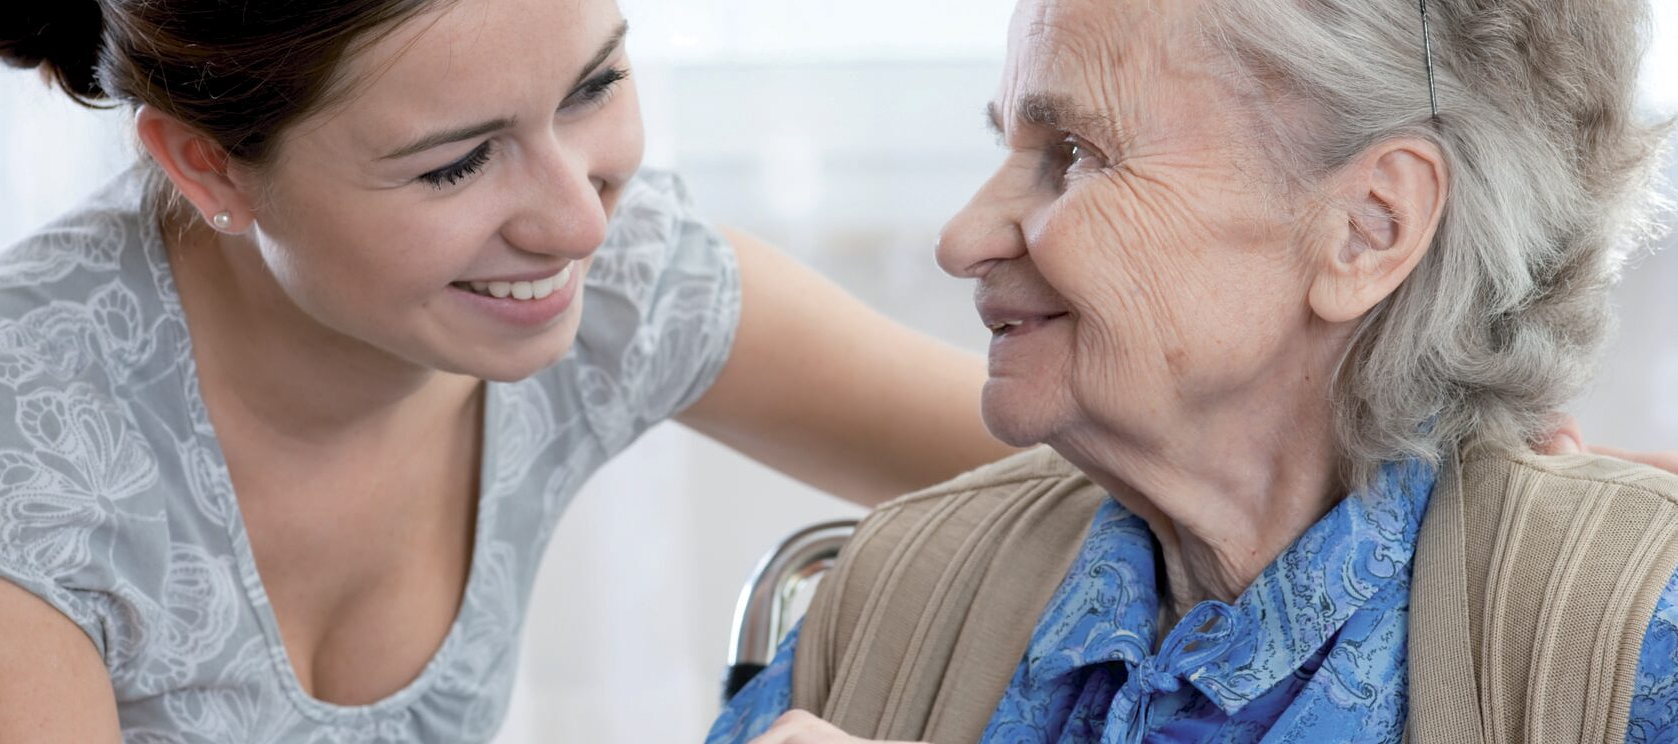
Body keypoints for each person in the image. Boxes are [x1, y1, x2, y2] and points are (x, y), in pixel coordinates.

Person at [0, 0, 1024, 741]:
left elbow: (1085, 458)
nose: (576, 221)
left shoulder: (616, 285)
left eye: (593, 84)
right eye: (453, 165)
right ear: (207, 167)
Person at [709, 0, 1678, 741]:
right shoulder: (898, 591)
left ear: (1366, 228)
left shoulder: (1626, 638)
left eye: (1074, 154)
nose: (962, 239)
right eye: (1006, 143)